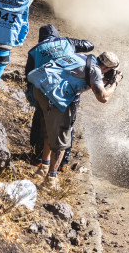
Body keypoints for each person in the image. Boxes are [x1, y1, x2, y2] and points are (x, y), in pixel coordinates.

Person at [28, 50, 120, 190]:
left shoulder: (81, 56)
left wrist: (102, 81)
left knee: (48, 130)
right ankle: (50, 180)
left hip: (40, 90)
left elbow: (76, 82)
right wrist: (115, 82)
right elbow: (103, 98)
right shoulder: (95, 70)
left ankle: (43, 169)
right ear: (107, 69)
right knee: (62, 140)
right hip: (54, 98)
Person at [25, 25, 94, 170]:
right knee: (67, 125)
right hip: (67, 91)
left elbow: (28, 75)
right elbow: (89, 45)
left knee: (41, 121)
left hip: (44, 90)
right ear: (56, 35)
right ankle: (63, 163)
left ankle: (37, 158)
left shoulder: (34, 50)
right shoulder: (66, 42)